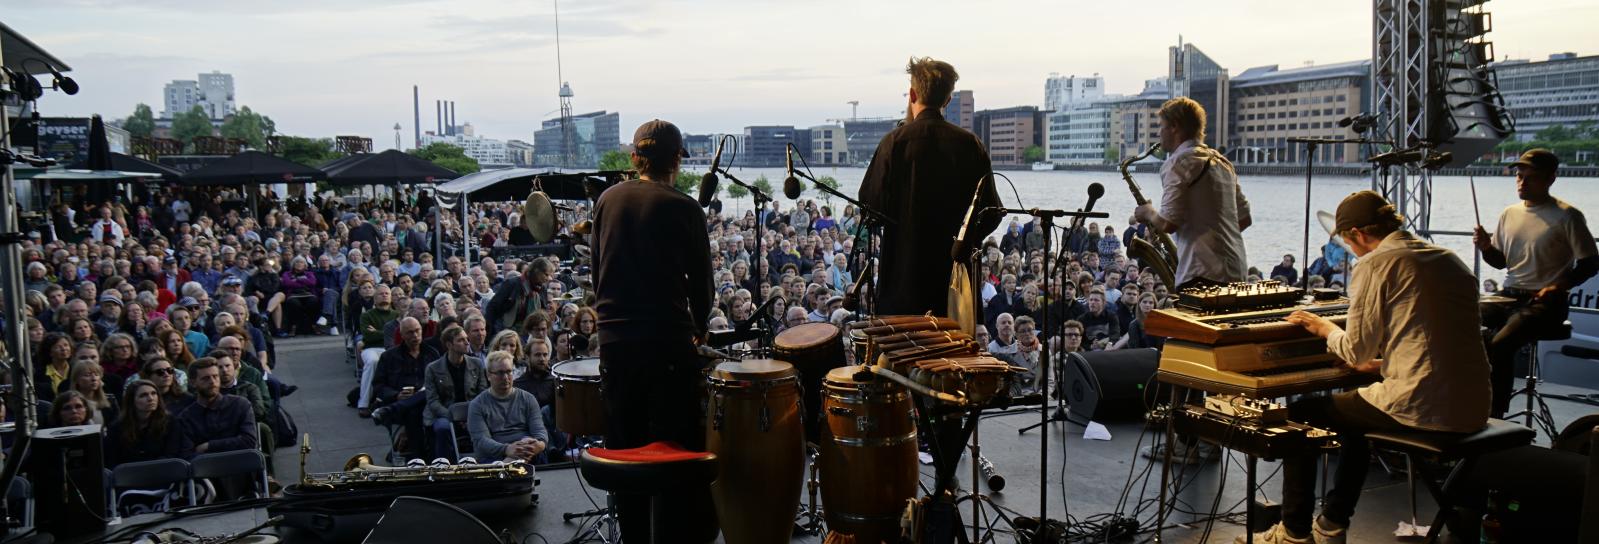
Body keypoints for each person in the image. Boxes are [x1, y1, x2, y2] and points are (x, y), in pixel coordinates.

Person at [1245, 190, 1492, 543]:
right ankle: (1331, 522)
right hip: (1473, 406)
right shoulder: (1448, 258)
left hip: (1423, 408)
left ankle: (1294, 533)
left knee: (1301, 413)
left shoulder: (1376, 264)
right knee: (1353, 412)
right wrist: (1384, 366)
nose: (1352, 251)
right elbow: (1434, 339)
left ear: (1358, 233)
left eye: (1349, 243)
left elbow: (1354, 351)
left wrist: (1322, 326)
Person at [591, 119, 717, 542]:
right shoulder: (685, 207)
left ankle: (632, 536)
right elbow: (702, 287)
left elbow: (597, 271)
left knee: (626, 454)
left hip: (615, 345)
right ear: (677, 160)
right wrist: (699, 329)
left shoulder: (607, 200)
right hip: (666, 346)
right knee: (671, 453)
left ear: (634, 158)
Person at [859, 57, 1001, 316]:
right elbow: (991, 213)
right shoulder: (970, 145)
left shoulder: (894, 143)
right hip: (954, 288)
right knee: (952, 355)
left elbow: (870, 207)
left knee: (902, 354)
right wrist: (962, 242)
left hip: (903, 284)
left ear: (912, 93)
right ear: (947, 100)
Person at [1473, 149, 1599, 418]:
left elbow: (1590, 263)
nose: (1522, 182)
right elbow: (1500, 263)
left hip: (1546, 302)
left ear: (1551, 179)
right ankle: (1465, 401)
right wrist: (1486, 248)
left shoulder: (1568, 216)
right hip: (1509, 295)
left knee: (1501, 345)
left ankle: (1495, 414)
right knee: (1460, 325)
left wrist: (1560, 285)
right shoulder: (1509, 213)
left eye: (1531, 177)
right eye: (1519, 176)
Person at [1133, 97, 1251, 288]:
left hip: (1200, 274)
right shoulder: (1222, 162)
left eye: (1161, 127)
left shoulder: (1178, 163)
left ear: (1175, 127)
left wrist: (1147, 211)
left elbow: (1168, 223)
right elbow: (1244, 220)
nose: (1158, 133)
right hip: (1237, 271)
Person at [371, 317, 439, 459]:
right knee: (414, 411)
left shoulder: (432, 353)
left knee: (426, 395)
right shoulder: (388, 357)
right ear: (402, 335)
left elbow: (439, 382)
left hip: (429, 402)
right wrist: (396, 395)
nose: (415, 336)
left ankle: (417, 456)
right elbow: (378, 386)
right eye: (410, 333)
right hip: (400, 403)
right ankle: (422, 457)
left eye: (417, 331)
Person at [468, 351, 549, 463]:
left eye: (509, 372)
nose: (505, 377)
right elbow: (482, 441)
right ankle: (510, 465)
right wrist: (507, 449)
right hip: (494, 455)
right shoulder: (477, 404)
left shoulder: (528, 399)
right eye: (500, 373)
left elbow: (539, 431)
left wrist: (539, 444)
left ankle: (509, 466)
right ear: (488, 375)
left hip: (527, 451)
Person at [423, 325, 488, 461]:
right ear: (449, 345)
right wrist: (453, 416)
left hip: (473, 412)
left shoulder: (476, 364)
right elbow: (433, 401)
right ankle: (443, 465)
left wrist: (469, 415)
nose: (466, 342)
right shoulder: (433, 368)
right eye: (460, 340)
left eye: (466, 339)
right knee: (443, 428)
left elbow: (482, 394)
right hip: (445, 413)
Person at [177, 358, 258, 455]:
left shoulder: (240, 405)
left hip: (240, 465)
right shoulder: (186, 418)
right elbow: (188, 455)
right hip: (205, 468)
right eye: (206, 378)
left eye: (215, 376)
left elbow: (249, 441)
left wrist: (208, 446)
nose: (212, 381)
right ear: (193, 382)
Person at [107, 380, 194, 467]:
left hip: (162, 472)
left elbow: (171, 454)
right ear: (132, 400)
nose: (151, 398)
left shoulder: (170, 422)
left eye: (154, 393)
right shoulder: (117, 427)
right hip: (129, 476)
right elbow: (111, 460)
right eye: (143, 395)